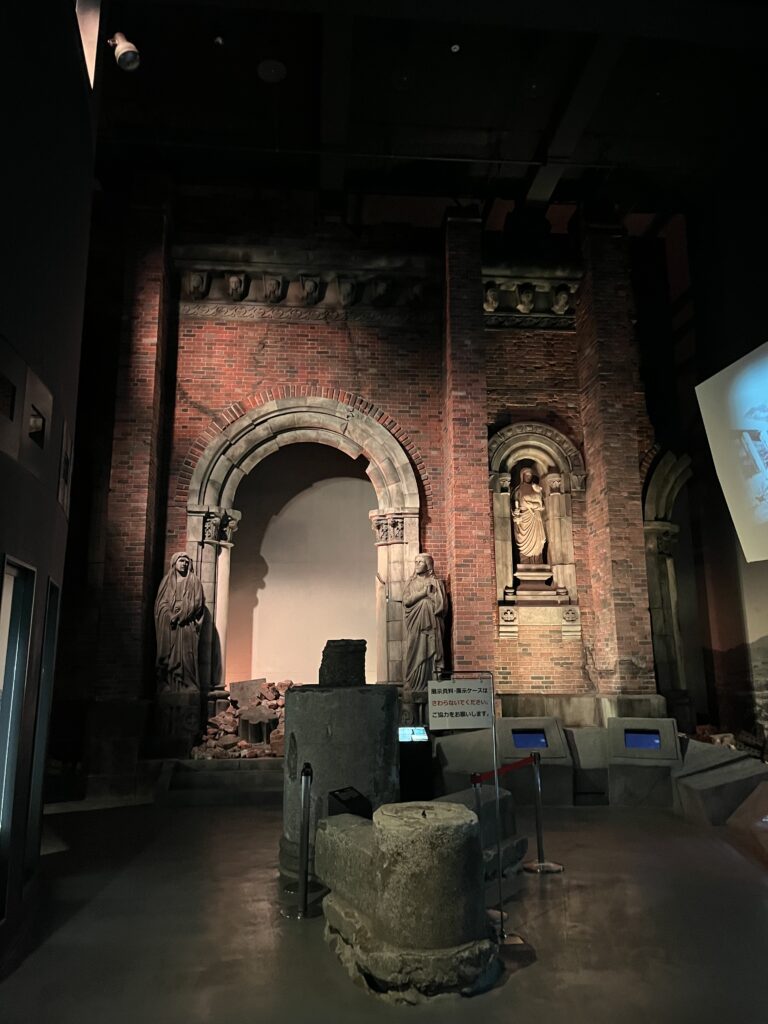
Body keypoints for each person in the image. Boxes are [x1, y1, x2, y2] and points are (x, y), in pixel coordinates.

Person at [154, 551, 205, 692]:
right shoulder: (167, 581)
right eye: (181, 561)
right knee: (168, 655)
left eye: (186, 562)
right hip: (170, 625)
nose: (184, 564)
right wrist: (170, 615)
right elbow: (161, 603)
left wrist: (181, 614)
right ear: (174, 563)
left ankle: (188, 683)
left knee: (186, 656)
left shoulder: (194, 581)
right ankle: (167, 684)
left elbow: (197, 603)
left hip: (186, 624)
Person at [402, 553, 446, 692]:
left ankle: (431, 680)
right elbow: (407, 601)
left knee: (431, 650)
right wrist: (423, 593)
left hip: (432, 625)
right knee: (414, 650)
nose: (417, 564)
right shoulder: (411, 583)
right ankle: (413, 681)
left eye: (421, 562)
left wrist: (431, 597)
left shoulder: (436, 583)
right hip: (415, 623)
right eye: (416, 561)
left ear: (428, 565)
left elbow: (442, 605)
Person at [512, 468, 547, 563]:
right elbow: (514, 505)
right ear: (522, 476)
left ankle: (538, 561)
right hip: (524, 518)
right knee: (522, 539)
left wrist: (533, 505)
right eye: (527, 475)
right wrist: (516, 513)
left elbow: (542, 506)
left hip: (535, 517)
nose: (529, 477)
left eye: (530, 475)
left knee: (538, 541)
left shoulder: (536, 488)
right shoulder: (519, 490)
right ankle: (525, 561)